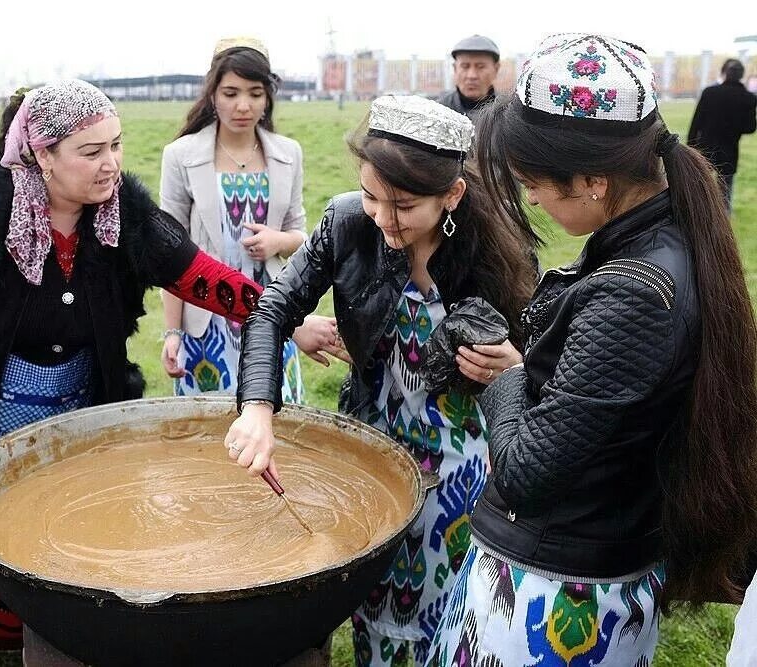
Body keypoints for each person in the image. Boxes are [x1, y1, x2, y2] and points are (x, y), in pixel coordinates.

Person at [0, 79, 334, 665]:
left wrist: (287, 320)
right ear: (41, 153)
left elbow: (198, 275)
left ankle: (53, 627)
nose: (111, 163)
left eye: (116, 145)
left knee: (52, 507)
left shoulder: (124, 211)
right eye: (91, 152)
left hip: (73, 393)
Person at [424, 34, 757, 665]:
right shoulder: (662, 234)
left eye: (533, 186)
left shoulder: (634, 296)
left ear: (593, 180)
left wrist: (507, 378)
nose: (531, 202)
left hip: (556, 599)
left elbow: (525, 475)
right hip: (590, 559)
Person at [226, 95, 539, 664]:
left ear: (453, 195)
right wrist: (256, 408)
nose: (385, 219)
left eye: (405, 205)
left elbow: (540, 365)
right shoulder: (347, 222)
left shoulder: (494, 252)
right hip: (372, 437)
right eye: (372, 197)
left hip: (458, 455)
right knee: (378, 593)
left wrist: (514, 367)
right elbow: (273, 309)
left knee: (446, 602)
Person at [159, 37, 312, 401]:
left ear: (268, 97)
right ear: (212, 94)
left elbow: (301, 236)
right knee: (208, 435)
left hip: (272, 313)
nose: (243, 105)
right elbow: (168, 251)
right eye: (230, 93)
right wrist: (172, 332)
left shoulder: (288, 154)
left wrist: (278, 241)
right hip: (205, 323)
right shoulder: (181, 155)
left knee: (276, 426)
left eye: (255, 93)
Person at [688, 58, 757, 211]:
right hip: (730, 149)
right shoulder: (749, 98)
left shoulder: (710, 92)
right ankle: (724, 220)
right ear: (741, 76)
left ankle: (696, 212)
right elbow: (750, 127)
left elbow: (697, 121)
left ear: (725, 73)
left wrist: (691, 145)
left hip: (706, 147)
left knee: (700, 184)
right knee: (725, 189)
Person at [436, 35, 500, 120]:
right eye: (465, 66)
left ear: (496, 69)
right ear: (455, 69)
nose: (472, 76)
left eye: (480, 67)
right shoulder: (439, 111)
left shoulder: (507, 112)